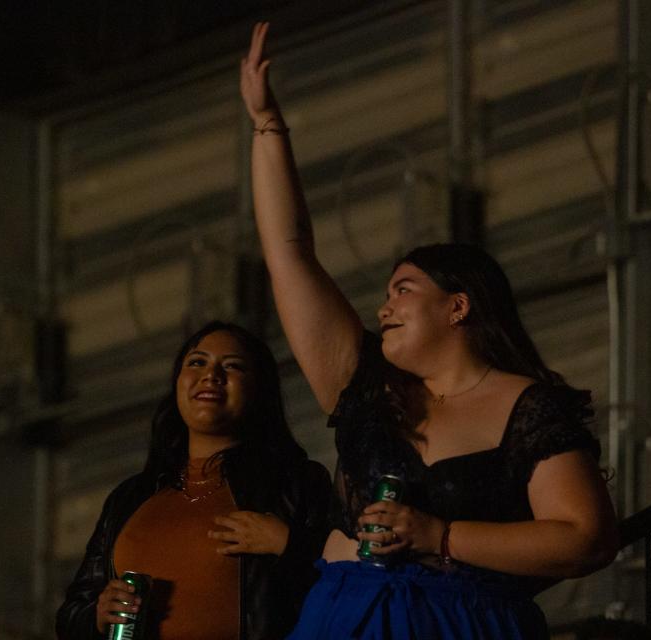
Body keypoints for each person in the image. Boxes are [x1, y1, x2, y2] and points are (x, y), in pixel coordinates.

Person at [240, 22, 618, 639]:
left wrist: (440, 534)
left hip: (466, 620)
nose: (383, 307)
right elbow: (289, 251)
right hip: (350, 614)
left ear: (458, 306)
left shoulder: (530, 408)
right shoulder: (362, 386)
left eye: (404, 291)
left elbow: (584, 538)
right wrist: (265, 124)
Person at [55, 321, 333, 640]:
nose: (211, 375)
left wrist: (288, 543)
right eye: (197, 362)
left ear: (259, 391)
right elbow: (71, 615)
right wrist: (97, 615)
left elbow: (350, 584)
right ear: (177, 383)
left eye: (233, 366)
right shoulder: (129, 497)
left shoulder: (295, 483)